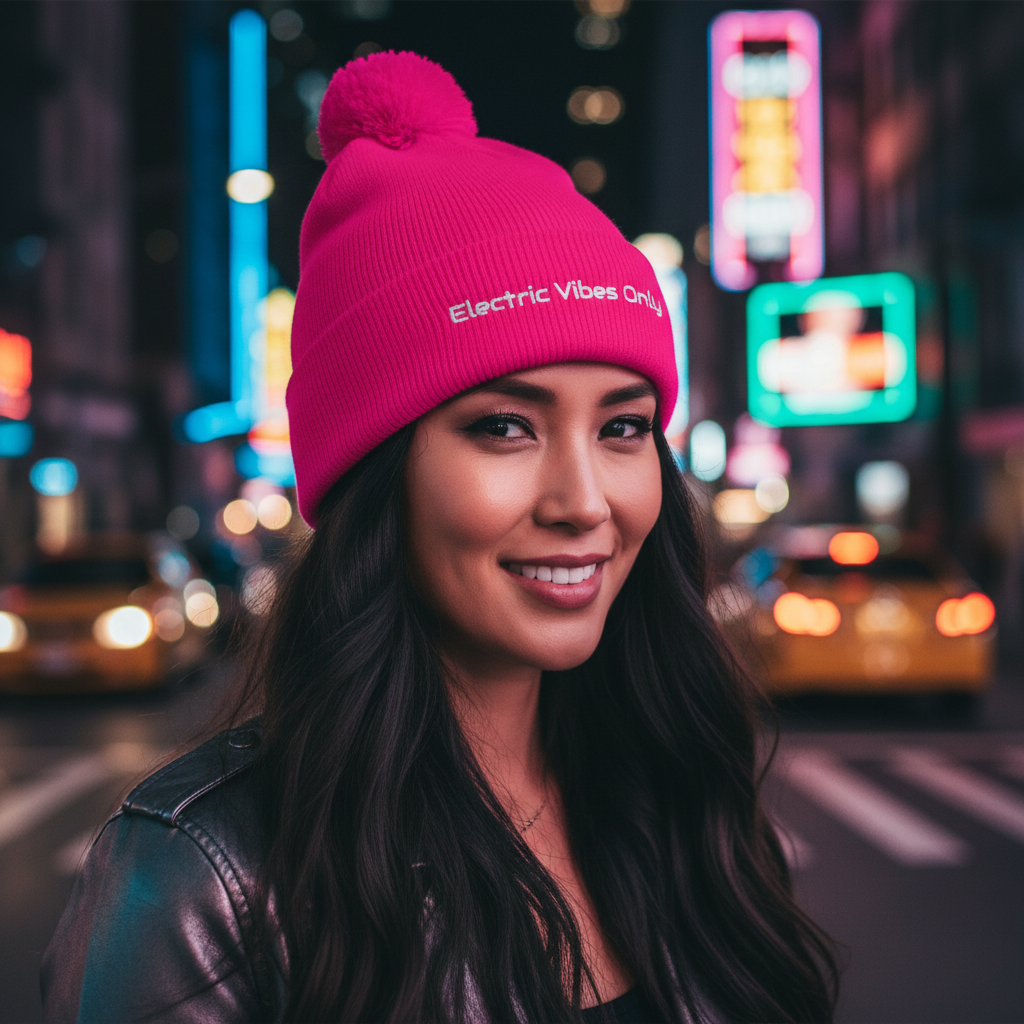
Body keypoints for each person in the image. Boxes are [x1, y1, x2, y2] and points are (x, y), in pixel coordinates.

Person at [41, 51, 837, 1024]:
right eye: (504, 425)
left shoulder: (684, 798)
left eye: (623, 426)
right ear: (376, 475)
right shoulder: (203, 877)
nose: (585, 499)